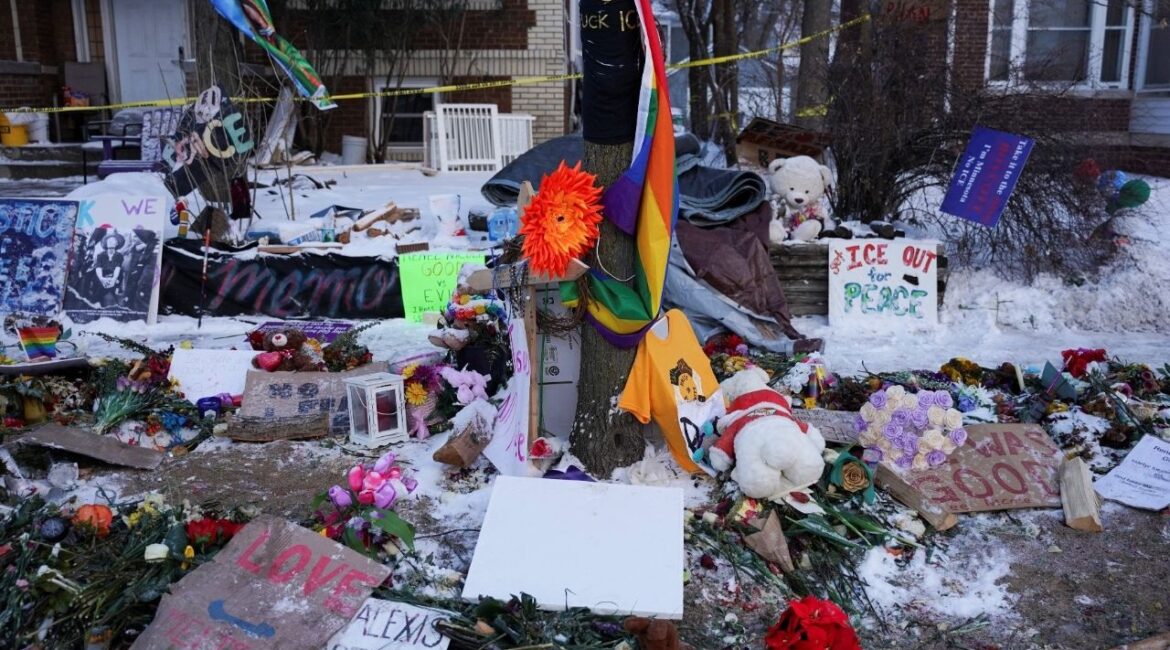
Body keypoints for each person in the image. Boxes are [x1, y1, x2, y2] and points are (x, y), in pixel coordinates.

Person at [94, 231, 125, 307]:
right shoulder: (100, 255)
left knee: (115, 298)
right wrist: (102, 278)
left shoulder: (119, 256)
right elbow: (98, 268)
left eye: (113, 240)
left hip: (115, 277)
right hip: (102, 277)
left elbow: (118, 268)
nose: (110, 242)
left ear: (116, 244)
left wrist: (114, 279)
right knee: (98, 295)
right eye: (109, 240)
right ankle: (97, 308)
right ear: (106, 243)